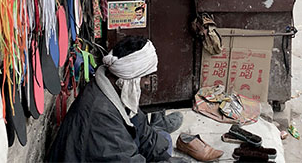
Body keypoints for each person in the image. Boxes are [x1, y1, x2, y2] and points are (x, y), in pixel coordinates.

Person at [49, 37, 206, 162]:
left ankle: (159, 130)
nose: (146, 83)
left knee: (164, 142)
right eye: (145, 77)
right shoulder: (102, 119)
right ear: (130, 78)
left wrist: (166, 158)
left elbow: (140, 127)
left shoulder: (115, 88)